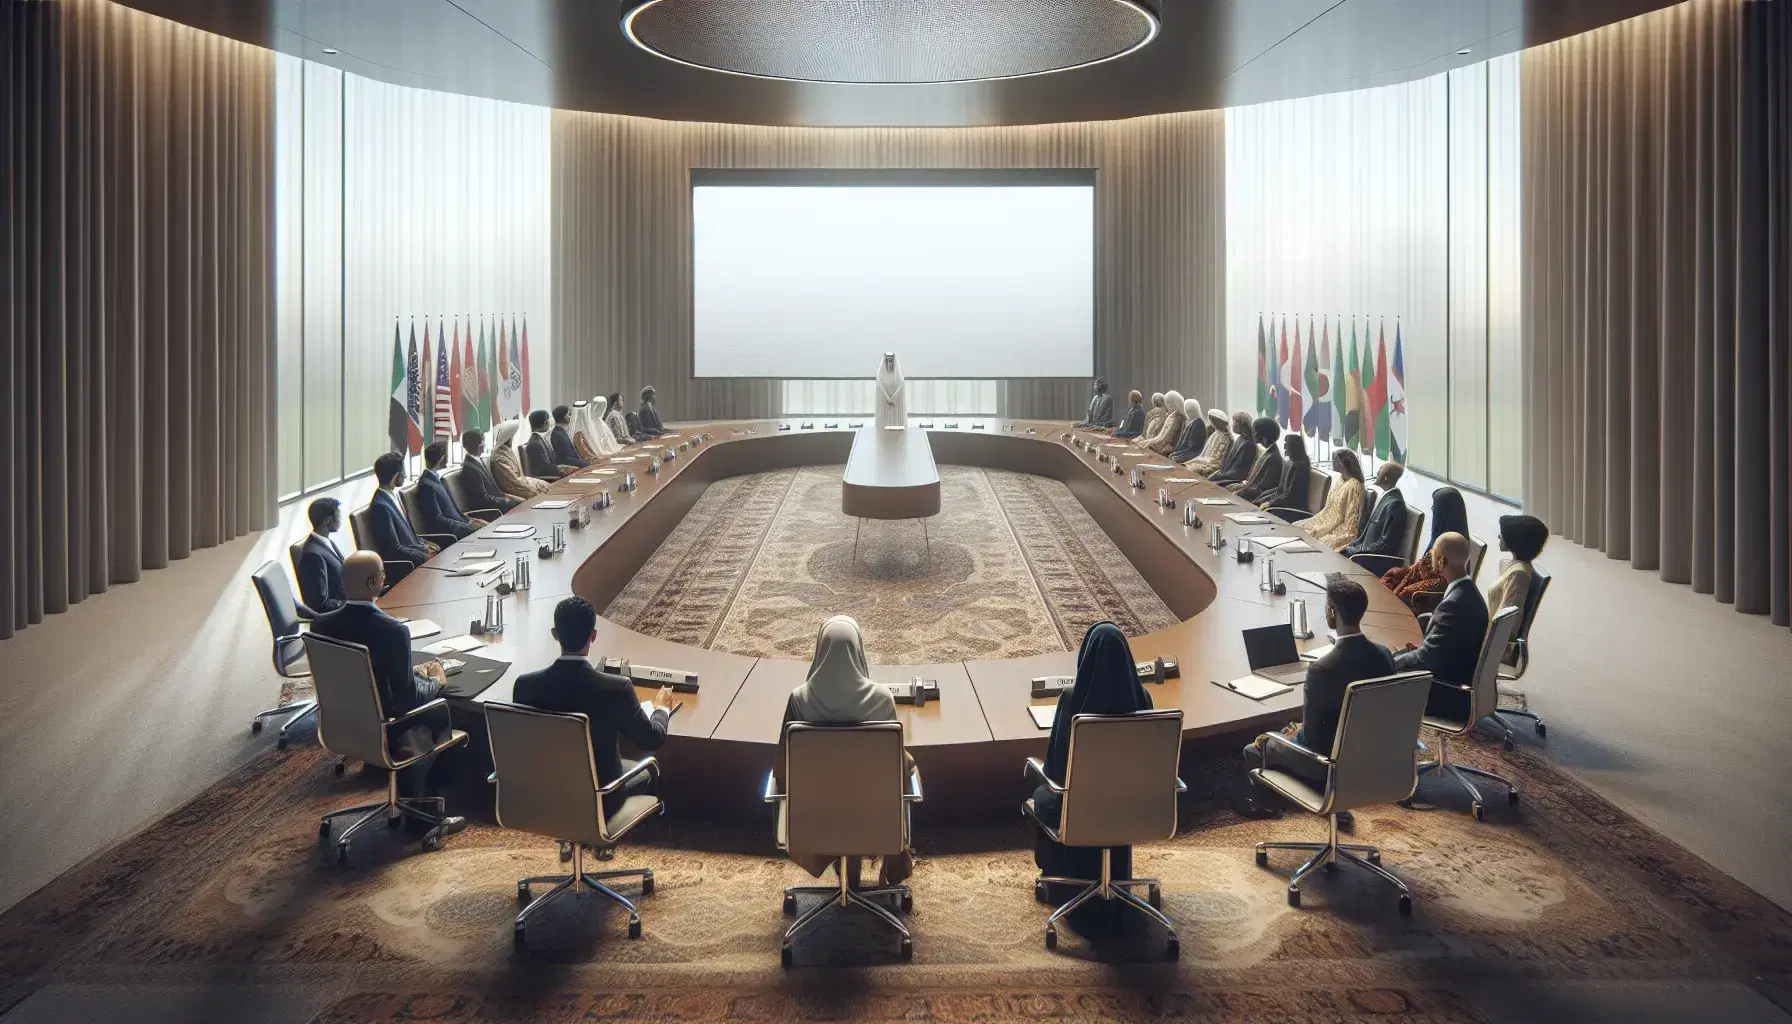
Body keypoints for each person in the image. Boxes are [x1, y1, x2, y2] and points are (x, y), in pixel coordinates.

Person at [309, 552, 466, 836]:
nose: (384, 579)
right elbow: (406, 700)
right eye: (382, 574)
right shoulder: (392, 631)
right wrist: (436, 681)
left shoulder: (321, 624)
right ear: (373, 582)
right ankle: (421, 811)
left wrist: (413, 674)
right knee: (445, 709)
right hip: (388, 732)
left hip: (339, 727)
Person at [1237, 576, 1394, 820]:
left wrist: (1285, 735)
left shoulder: (1323, 669)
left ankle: (1262, 806)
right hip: (1375, 760)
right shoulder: (1384, 655)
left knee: (1256, 748)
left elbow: (1309, 740)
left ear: (1333, 611)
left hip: (1326, 765)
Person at [776, 615, 914, 887]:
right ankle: (888, 871)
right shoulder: (882, 699)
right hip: (874, 821)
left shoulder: (799, 699)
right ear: (859, 650)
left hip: (813, 822)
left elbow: (782, 768)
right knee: (907, 768)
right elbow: (894, 770)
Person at [511, 597, 678, 817]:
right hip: (602, 797)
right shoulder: (615, 688)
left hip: (544, 795)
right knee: (646, 771)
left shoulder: (524, 686)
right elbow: (652, 739)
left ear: (555, 634)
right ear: (593, 635)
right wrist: (661, 709)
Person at [1031, 621, 1152, 904]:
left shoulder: (1073, 700)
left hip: (1079, 814)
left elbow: (1055, 772)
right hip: (1133, 811)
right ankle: (1116, 880)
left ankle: (1064, 884)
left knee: (1042, 794)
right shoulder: (1144, 699)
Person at [1394, 532, 1489, 719]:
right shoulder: (1469, 592)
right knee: (1392, 654)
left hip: (1444, 692)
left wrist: (1390, 663)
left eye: (1434, 554)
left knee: (1373, 675)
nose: (1431, 557)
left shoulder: (1454, 603)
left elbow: (1426, 658)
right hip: (1456, 674)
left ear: (1441, 560)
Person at [1380, 486, 1470, 604]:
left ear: (1444, 511)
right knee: (1393, 575)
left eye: (1436, 506)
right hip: (1421, 577)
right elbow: (1422, 565)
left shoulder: (1453, 542)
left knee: (1403, 593)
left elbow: (1444, 577)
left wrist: (1404, 586)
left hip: (1434, 588)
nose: (1432, 508)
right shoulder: (1440, 533)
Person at [366, 451, 434, 584]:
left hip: (415, 558)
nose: (405, 475)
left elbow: (408, 536)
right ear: (396, 475)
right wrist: (424, 556)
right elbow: (395, 549)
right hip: (405, 568)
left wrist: (426, 546)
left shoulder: (392, 496)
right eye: (403, 471)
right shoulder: (381, 506)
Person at [1294, 449, 1369, 548]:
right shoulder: (1341, 480)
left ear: (1341, 463)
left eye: (1334, 460)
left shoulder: (1354, 486)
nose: (1332, 463)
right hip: (1327, 522)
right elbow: (1329, 509)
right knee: (1297, 526)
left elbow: (1351, 519)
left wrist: (1324, 531)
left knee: (1314, 539)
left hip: (1340, 529)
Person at [414, 441, 485, 542]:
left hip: (460, 524)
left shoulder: (439, 480)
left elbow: (454, 511)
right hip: (450, 534)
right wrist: (467, 527)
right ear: (442, 458)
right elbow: (438, 520)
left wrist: (470, 521)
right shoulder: (426, 485)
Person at [1343, 462, 1408, 559]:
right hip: (1362, 553)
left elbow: (1385, 545)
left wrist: (1356, 552)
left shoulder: (1395, 504)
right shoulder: (1386, 497)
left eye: (1379, 473)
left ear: (1385, 478)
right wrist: (1350, 547)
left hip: (1371, 560)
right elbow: (1365, 536)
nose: (1376, 474)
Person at [295, 497, 347, 615]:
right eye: (338, 517)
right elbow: (320, 604)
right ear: (328, 520)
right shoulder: (313, 555)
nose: (340, 520)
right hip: (336, 619)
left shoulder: (326, 542)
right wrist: (350, 603)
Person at [1488, 514, 1547, 615]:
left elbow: (1506, 623)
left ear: (1514, 539)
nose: (1499, 536)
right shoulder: (1516, 567)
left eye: (1502, 533)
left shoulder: (1518, 575)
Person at [459, 428, 521, 513]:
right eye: (482, 442)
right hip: (488, 510)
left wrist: (507, 498)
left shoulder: (477, 460)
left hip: (495, 501)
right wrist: (505, 501)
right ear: (479, 445)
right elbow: (483, 500)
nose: (484, 445)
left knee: (522, 503)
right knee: (520, 507)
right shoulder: (470, 470)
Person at [490, 420, 552, 501]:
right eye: (511, 437)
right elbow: (513, 482)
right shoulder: (500, 457)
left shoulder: (506, 451)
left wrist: (538, 484)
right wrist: (534, 488)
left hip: (521, 483)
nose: (512, 439)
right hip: (515, 489)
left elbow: (519, 478)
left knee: (547, 487)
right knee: (543, 492)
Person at [1256, 432, 1312, 514]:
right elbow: (1280, 489)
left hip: (1294, 508)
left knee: (1266, 512)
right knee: (1257, 504)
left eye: (1287, 445)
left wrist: (1269, 503)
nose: (1285, 449)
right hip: (1284, 503)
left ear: (1294, 447)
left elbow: (1290, 496)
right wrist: (1262, 499)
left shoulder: (1301, 466)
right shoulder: (1290, 463)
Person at [1225, 417, 1282, 495]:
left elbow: (1262, 488)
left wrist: (1239, 493)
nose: (1253, 434)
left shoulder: (1273, 458)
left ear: (1264, 437)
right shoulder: (1268, 451)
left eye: (1255, 431)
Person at [523, 410, 579, 479]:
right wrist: (563, 468)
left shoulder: (539, 439)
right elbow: (541, 470)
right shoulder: (535, 444)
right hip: (550, 479)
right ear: (545, 422)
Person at [1207, 412, 1259, 485]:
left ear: (1239, 424)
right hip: (1228, 474)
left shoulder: (1248, 445)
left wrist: (1220, 475)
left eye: (1234, 422)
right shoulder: (1241, 438)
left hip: (1234, 479)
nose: (1232, 425)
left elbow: (1238, 472)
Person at [1185, 408, 1234, 473]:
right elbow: (1206, 453)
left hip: (1214, 464)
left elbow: (1217, 459)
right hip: (1206, 460)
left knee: (1191, 469)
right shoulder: (1215, 433)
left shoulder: (1227, 437)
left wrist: (1198, 461)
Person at [1144, 389, 1188, 456]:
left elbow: (1169, 438)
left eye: (1168, 402)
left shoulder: (1179, 418)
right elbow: (1161, 436)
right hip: (1161, 442)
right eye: (1166, 402)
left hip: (1170, 446)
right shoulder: (1171, 415)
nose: (1166, 405)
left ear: (1174, 402)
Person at [872, 353, 908, 429]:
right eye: (888, 360)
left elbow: (900, 387)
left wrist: (893, 398)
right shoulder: (880, 376)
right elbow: (880, 388)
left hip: (896, 407)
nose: (890, 363)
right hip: (884, 406)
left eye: (891, 360)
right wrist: (887, 398)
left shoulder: (899, 377)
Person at [550, 405, 591, 469]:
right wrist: (582, 463)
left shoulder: (561, 432)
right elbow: (563, 458)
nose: (570, 417)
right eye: (568, 414)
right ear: (564, 416)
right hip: (568, 468)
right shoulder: (557, 434)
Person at [1169, 397, 1207, 462]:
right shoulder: (1190, 422)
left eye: (1190, 411)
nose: (1188, 413)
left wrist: (1180, 453)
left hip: (1194, 452)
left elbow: (1194, 446)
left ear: (1195, 410)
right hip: (1187, 450)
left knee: (1175, 457)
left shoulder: (1198, 423)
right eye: (1186, 411)